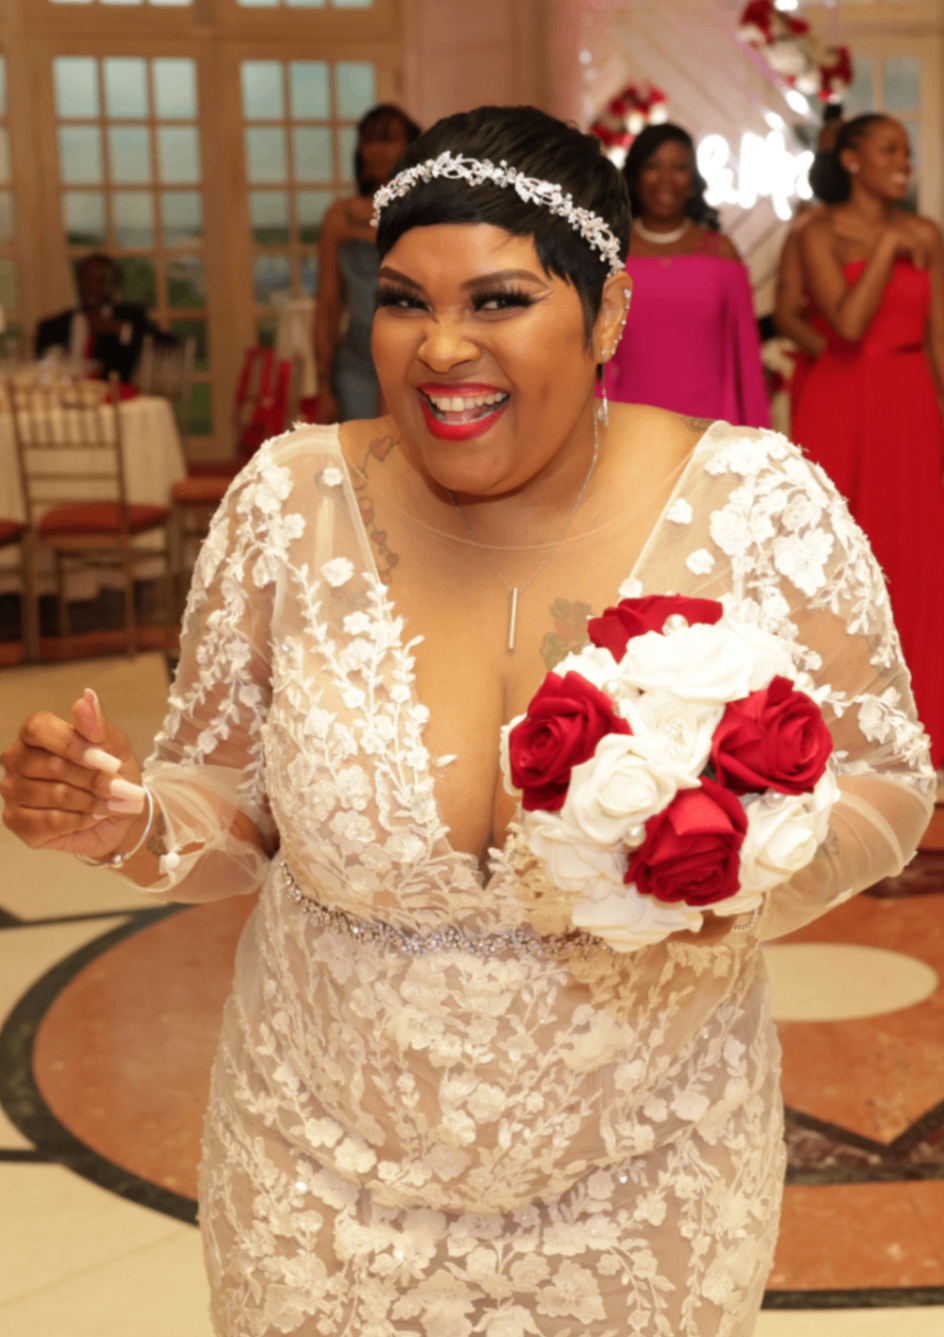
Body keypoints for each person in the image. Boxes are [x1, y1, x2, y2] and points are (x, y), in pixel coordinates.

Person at [1, 106, 932, 1337]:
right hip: (318, 1180)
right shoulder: (288, 501)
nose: (441, 346)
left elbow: (884, 775)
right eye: (403, 301)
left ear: (607, 313)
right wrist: (128, 821)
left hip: (649, 1176)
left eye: (498, 300)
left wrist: (726, 874)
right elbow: (227, 802)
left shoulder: (757, 504)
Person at [793, 113, 944, 769]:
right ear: (852, 159)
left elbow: (940, 336)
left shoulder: (927, 233)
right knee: (846, 565)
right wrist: (884, 245)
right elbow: (849, 324)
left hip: (910, 401)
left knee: (919, 558)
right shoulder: (816, 232)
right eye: (889, 150)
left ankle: (924, 732)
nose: (904, 162)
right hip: (844, 401)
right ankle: (844, 738)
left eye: (906, 151)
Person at [605, 123, 769, 428]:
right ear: (636, 175)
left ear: (693, 179)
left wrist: (759, 435)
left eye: (679, 168)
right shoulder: (611, 253)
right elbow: (596, 354)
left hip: (710, 432)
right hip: (629, 427)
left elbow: (747, 357)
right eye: (653, 166)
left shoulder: (721, 251)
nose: (666, 179)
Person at [314, 104, 421, 423]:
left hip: (416, 361)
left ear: (411, 146)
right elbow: (327, 306)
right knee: (361, 450)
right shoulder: (340, 216)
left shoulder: (428, 213)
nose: (376, 149)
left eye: (387, 139)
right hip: (356, 363)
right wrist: (323, 385)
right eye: (368, 140)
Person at [35, 253, 176, 384]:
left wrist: (120, 329)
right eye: (85, 279)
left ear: (114, 286)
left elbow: (168, 344)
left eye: (100, 281)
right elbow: (41, 368)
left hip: (114, 396)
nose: (91, 287)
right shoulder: (52, 326)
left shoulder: (130, 317)